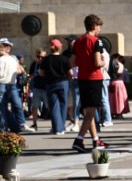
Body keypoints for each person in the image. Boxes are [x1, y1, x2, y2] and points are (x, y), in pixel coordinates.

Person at [71, 15, 109, 152]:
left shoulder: (78, 41)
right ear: (94, 25)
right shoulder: (96, 41)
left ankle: (95, 140)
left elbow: (73, 61)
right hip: (94, 78)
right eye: (99, 26)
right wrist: (104, 62)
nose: (99, 29)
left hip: (82, 78)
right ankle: (79, 139)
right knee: (91, 112)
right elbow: (97, 62)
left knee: (88, 111)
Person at [0, 39, 26, 133]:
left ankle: (3, 128)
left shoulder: (0, 60)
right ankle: (15, 126)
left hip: (0, 84)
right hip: (11, 84)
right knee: (5, 108)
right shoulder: (13, 59)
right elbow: (17, 71)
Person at [40, 38, 71, 134]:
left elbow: (41, 73)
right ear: (59, 47)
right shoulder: (65, 59)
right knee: (63, 105)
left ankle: (57, 128)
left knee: (54, 106)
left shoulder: (46, 59)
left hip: (51, 83)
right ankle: (60, 127)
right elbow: (70, 73)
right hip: (63, 83)